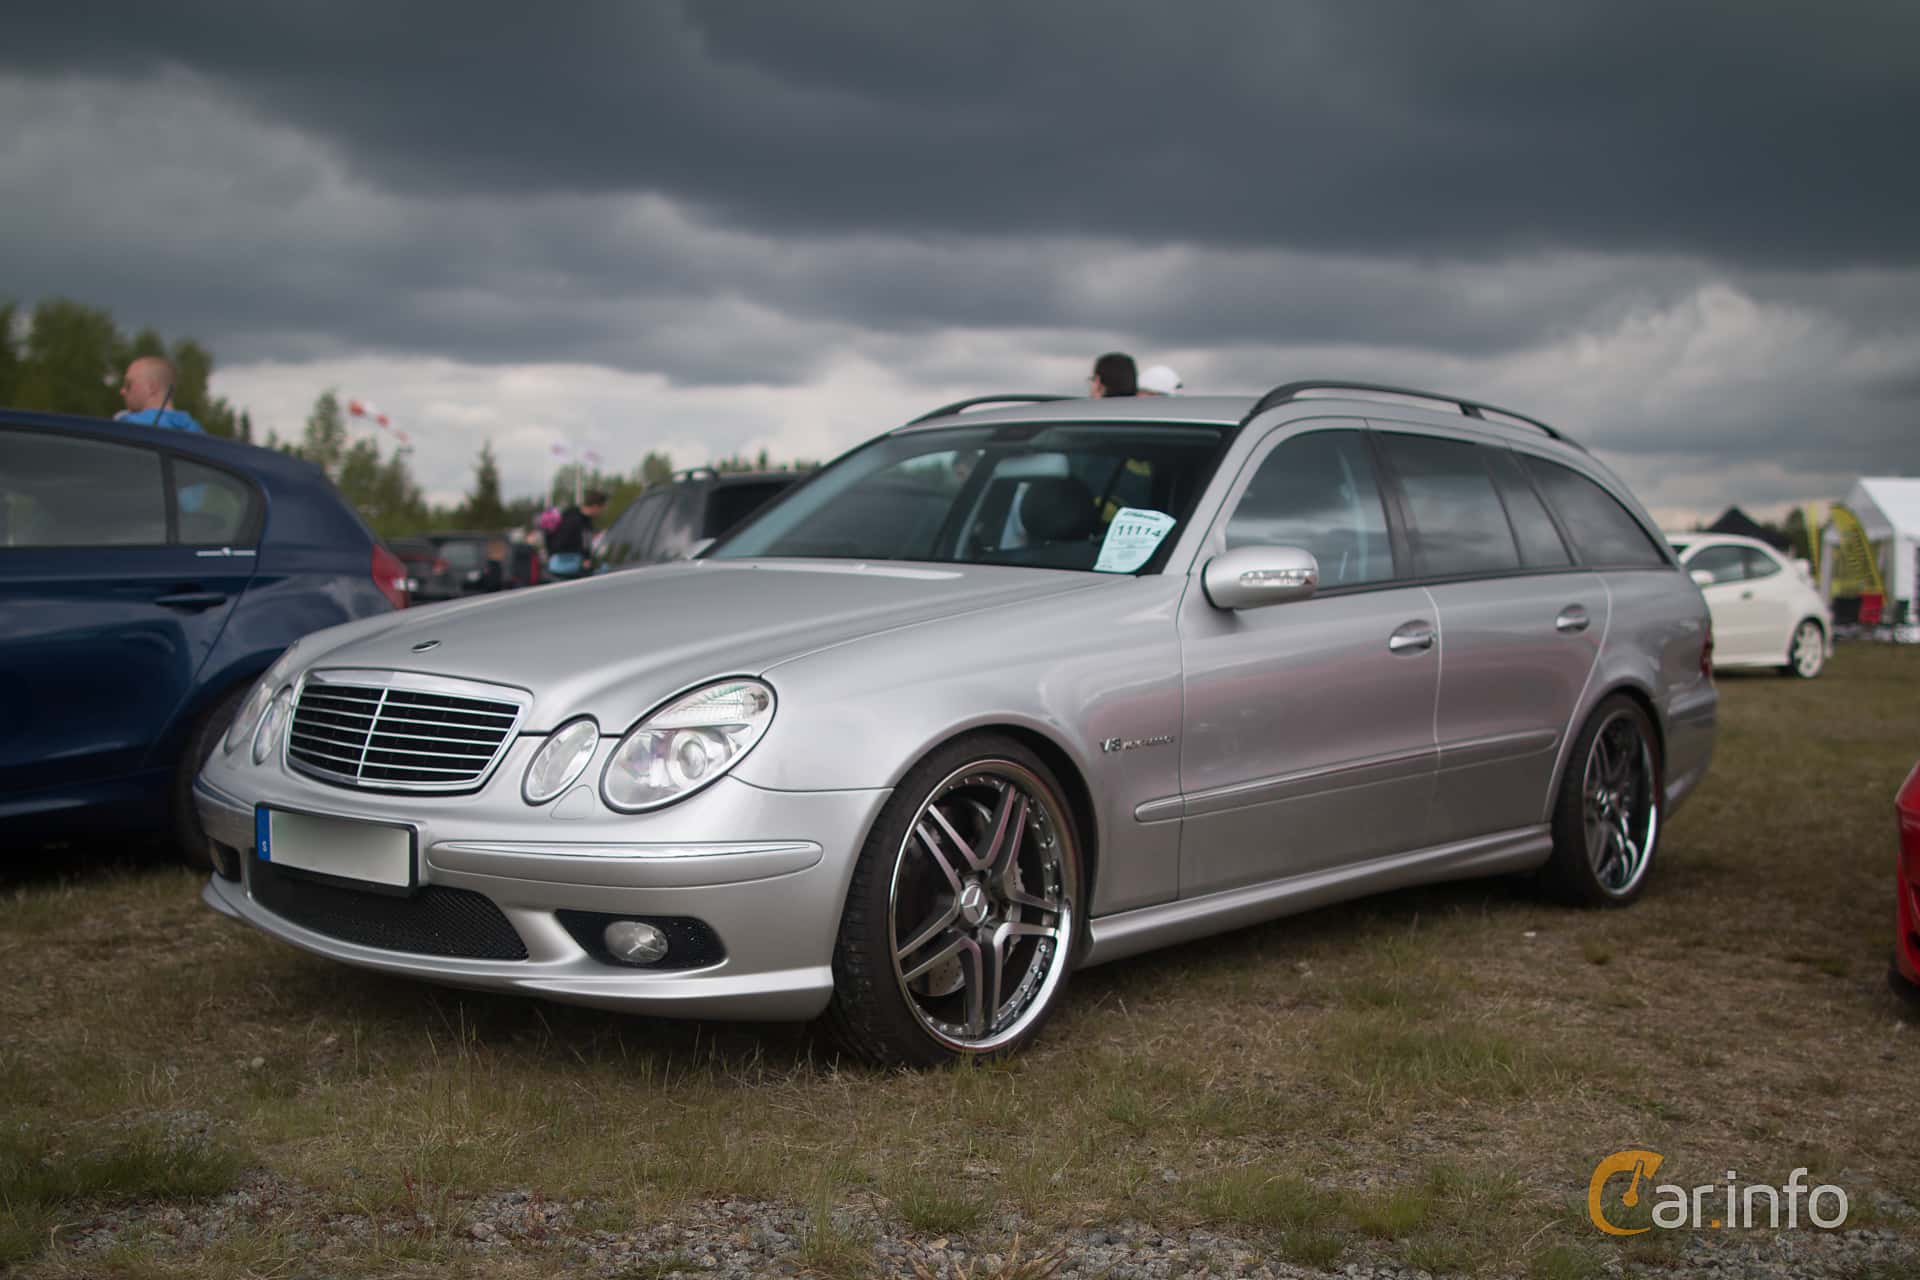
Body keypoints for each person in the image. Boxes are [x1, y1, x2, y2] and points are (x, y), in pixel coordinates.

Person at [115, 356, 204, 431]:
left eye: (128, 384)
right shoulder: (197, 432)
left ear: (152, 388)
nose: (122, 391)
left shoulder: (129, 425)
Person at [545, 489, 607, 579]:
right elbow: (558, 544)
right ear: (595, 506)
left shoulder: (587, 522)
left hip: (577, 568)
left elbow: (586, 546)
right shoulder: (572, 520)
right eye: (602, 509)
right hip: (566, 570)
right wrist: (580, 559)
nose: (602, 512)